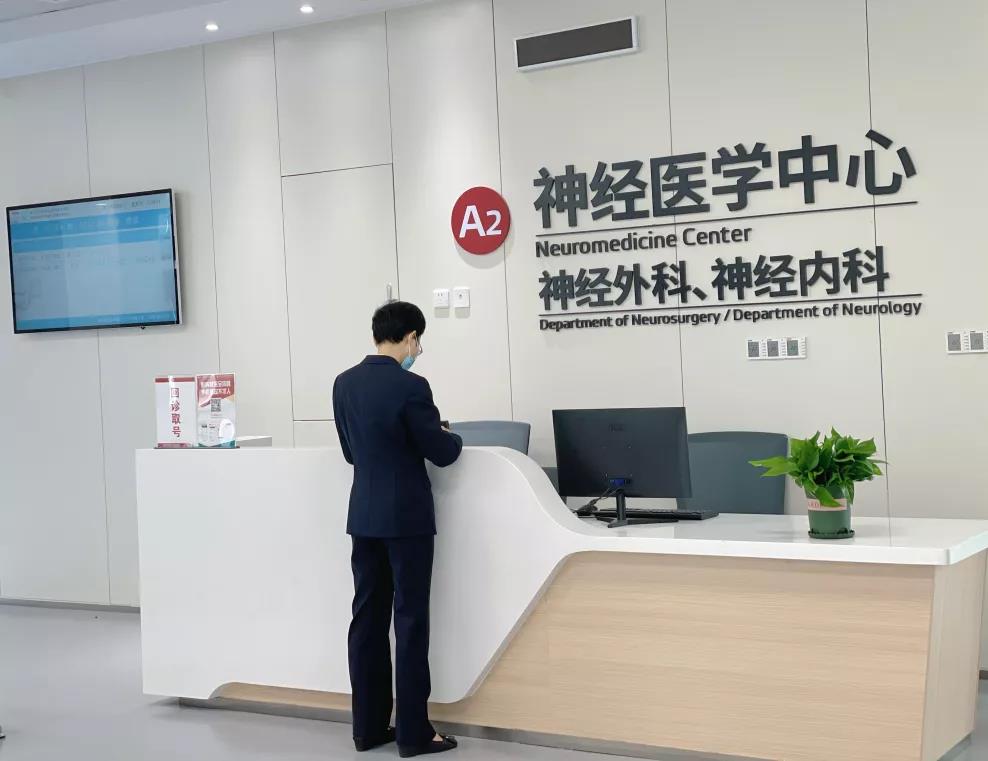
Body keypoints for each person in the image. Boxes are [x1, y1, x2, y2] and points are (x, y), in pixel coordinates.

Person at [333, 301, 463, 758]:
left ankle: (368, 728)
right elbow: (442, 452)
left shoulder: (344, 383)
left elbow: (350, 452)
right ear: (410, 337)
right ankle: (413, 733)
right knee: (409, 622)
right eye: (418, 342)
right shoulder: (412, 386)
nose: (418, 350)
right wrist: (450, 435)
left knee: (367, 620)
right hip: (406, 519)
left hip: (364, 517)